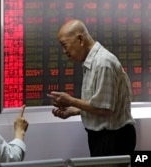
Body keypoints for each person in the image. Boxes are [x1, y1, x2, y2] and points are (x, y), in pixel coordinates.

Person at [47, 19, 136, 156]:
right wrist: (74, 110)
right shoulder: (91, 62)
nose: (64, 51)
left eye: (65, 45)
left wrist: (71, 101)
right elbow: (97, 103)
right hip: (102, 138)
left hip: (113, 140)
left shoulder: (103, 63)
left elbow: (104, 109)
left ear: (80, 39)